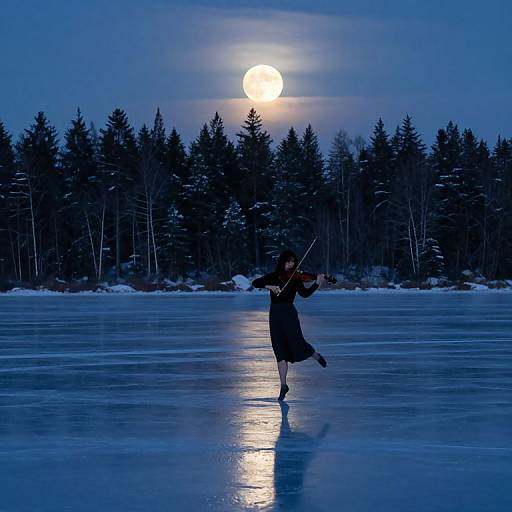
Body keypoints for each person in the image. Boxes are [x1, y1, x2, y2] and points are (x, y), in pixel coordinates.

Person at [251, 249, 327, 401]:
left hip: (289, 313)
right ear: (283, 261)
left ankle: (314, 354)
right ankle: (283, 385)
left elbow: (305, 295)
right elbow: (255, 282)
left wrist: (317, 283)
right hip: (275, 315)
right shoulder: (274, 276)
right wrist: (270, 286)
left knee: (297, 341)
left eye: (293, 261)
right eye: (288, 261)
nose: (291, 264)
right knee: (279, 349)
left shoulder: (296, 278)